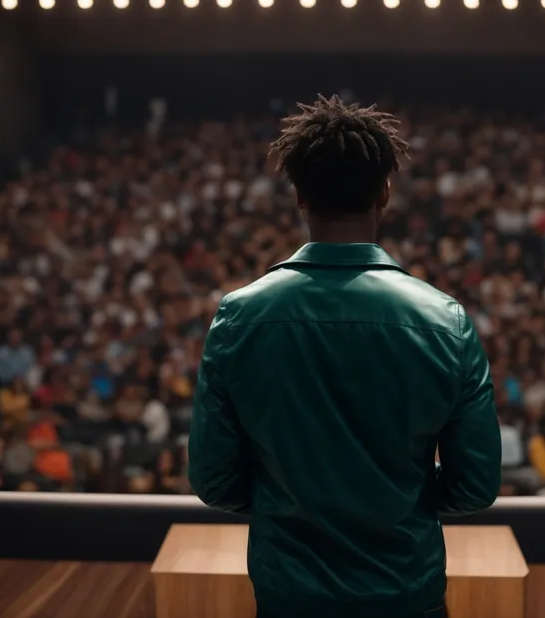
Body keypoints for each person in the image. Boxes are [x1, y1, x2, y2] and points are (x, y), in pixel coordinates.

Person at [189, 95, 500, 618]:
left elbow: (214, 482)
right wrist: (398, 497)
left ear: (299, 196)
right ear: (384, 193)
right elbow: (474, 486)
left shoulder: (238, 317)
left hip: (289, 598)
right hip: (407, 594)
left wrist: (291, 498)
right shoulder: (447, 320)